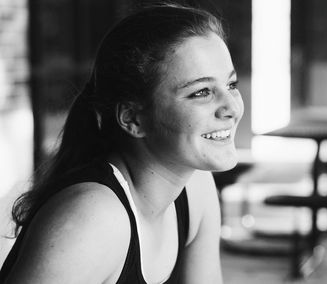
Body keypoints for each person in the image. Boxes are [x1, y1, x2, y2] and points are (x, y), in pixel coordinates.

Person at [0, 3, 243, 283]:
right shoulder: (92, 217)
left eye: (232, 85)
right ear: (133, 119)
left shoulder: (196, 186)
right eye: (201, 92)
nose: (232, 108)